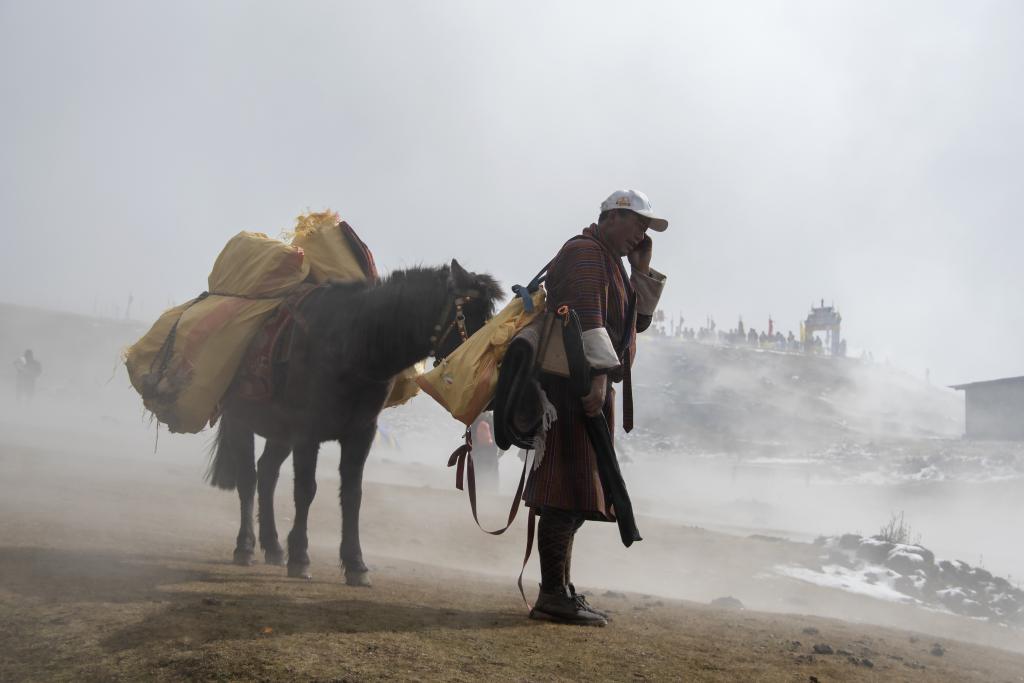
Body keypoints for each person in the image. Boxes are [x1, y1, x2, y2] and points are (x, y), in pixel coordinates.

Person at [522, 189, 667, 626]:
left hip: (584, 387)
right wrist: (599, 378)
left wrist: (640, 270)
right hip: (574, 389)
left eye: (646, 227)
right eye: (637, 223)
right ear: (612, 217)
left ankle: (561, 589)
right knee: (564, 492)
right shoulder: (586, 253)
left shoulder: (612, 262)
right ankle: (552, 594)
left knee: (578, 493)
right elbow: (585, 316)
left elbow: (633, 323)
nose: (642, 233)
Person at [471, 412, 500, 493]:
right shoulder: (493, 418)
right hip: (490, 455)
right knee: (491, 484)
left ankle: (470, 498)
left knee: (474, 481)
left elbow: (469, 439)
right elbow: (500, 438)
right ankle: (492, 497)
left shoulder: (472, 419)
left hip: (477, 455)